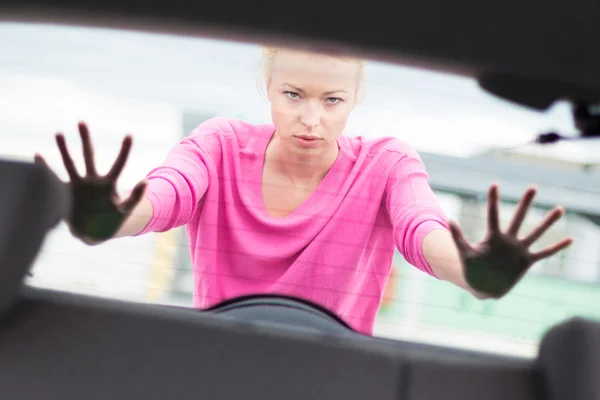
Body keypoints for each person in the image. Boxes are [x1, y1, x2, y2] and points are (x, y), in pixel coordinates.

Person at [35, 47, 572, 335]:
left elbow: (421, 228)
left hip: (335, 378)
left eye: (332, 100)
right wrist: (111, 219)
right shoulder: (218, 145)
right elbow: (166, 195)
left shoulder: (387, 164)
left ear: (356, 97)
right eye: (293, 94)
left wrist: (471, 270)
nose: (310, 119)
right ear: (266, 88)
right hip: (218, 369)